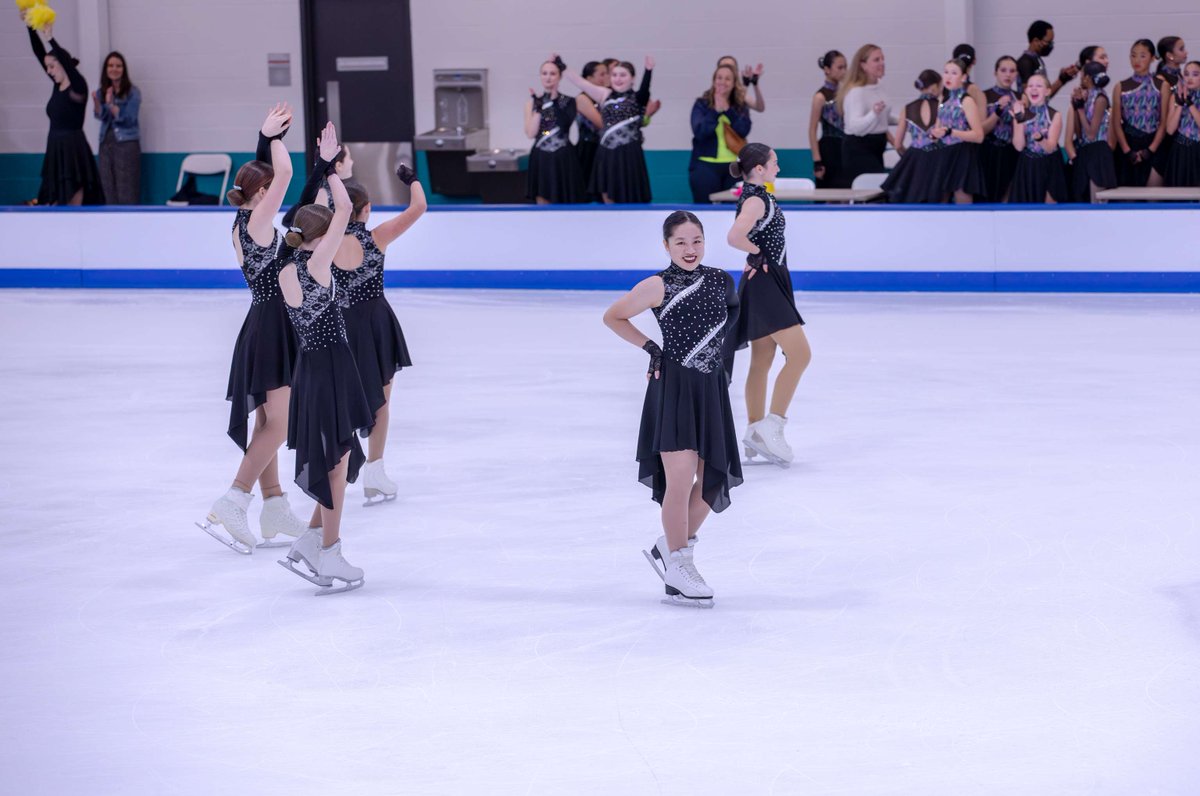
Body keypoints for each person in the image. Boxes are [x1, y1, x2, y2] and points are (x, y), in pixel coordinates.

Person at [602, 211, 742, 608]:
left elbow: (731, 315)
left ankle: (670, 547)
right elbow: (613, 316)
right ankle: (680, 565)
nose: (690, 249)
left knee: (714, 478)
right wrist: (651, 349)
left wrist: (716, 365)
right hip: (674, 387)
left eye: (696, 240)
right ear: (666, 246)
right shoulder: (656, 285)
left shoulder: (720, 280)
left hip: (711, 388)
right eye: (680, 242)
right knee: (680, 479)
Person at [197, 105, 311, 554]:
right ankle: (234, 498)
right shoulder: (260, 221)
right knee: (280, 423)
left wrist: (264, 139)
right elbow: (283, 171)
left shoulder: (240, 223)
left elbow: (272, 175)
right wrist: (270, 136)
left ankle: (274, 504)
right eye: (268, 192)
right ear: (260, 193)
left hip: (263, 321)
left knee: (268, 420)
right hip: (273, 324)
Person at [277, 174, 372, 595]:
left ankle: (311, 539)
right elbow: (346, 212)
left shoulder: (284, 269)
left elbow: (324, 218)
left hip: (311, 369)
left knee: (339, 456)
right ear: (320, 238)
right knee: (337, 463)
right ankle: (330, 551)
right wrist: (333, 170)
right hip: (331, 367)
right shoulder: (316, 265)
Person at [332, 168, 426, 506]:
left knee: (341, 399)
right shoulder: (377, 237)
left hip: (338, 324)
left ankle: (339, 469)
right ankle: (374, 471)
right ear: (367, 209)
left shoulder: (323, 246)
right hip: (375, 324)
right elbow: (418, 208)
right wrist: (412, 179)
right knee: (381, 402)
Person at [724, 144, 811, 466]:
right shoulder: (757, 199)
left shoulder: (755, 194)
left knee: (763, 358)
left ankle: (753, 432)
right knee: (800, 354)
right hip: (765, 283)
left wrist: (756, 254)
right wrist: (756, 253)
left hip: (765, 282)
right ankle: (772, 426)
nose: (778, 167)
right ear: (758, 168)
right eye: (774, 163)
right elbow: (734, 237)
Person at [24, 19, 102, 205]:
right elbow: (37, 51)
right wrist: (30, 25)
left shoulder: (78, 87)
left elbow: (67, 65)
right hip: (55, 148)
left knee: (74, 204)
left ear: (63, 64)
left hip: (73, 149)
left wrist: (50, 38)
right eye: (47, 67)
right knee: (53, 203)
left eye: (52, 66)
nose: (49, 71)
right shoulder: (56, 85)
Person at [561, 54, 655, 203]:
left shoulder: (637, 98)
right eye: (615, 75)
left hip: (629, 153)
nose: (618, 79)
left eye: (623, 75)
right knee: (607, 193)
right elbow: (581, 83)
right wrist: (562, 66)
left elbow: (645, 91)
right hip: (607, 153)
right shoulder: (605, 94)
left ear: (632, 78)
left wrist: (648, 71)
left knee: (630, 195)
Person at [688, 63, 751, 203]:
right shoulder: (702, 104)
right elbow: (700, 133)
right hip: (705, 166)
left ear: (734, 83)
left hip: (734, 168)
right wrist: (715, 110)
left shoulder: (740, 105)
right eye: (719, 77)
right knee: (705, 210)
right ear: (714, 80)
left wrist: (728, 110)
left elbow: (744, 130)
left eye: (728, 79)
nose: (723, 81)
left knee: (734, 212)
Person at [525, 59, 584, 204]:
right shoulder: (532, 103)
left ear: (559, 76)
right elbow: (532, 133)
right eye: (544, 73)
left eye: (552, 73)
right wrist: (539, 109)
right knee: (542, 199)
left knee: (566, 200)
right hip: (541, 156)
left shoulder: (568, 101)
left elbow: (562, 126)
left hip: (563, 155)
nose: (548, 77)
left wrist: (550, 105)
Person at [881, 70, 945, 204]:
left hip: (914, 158)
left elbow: (897, 144)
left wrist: (909, 157)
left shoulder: (908, 108)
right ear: (935, 86)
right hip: (938, 158)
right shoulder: (943, 107)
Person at [1112, 39, 1169, 187]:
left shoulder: (1162, 86)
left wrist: (1150, 150)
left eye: (1142, 56)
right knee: (1127, 199)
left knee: (1153, 198)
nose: (1137, 60)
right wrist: (1127, 151)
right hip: (1128, 143)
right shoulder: (1120, 87)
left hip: (1153, 144)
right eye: (1133, 55)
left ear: (1152, 58)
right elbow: (1116, 123)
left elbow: (1163, 122)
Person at [838, 44, 896, 186]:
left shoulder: (880, 86)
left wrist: (906, 119)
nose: (882, 63)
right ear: (863, 65)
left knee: (879, 189)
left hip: (878, 145)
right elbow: (855, 126)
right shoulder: (856, 92)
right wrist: (873, 113)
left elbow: (884, 118)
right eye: (876, 60)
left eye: (882, 59)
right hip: (859, 148)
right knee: (874, 188)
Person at [929, 58, 985, 203]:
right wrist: (934, 134)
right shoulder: (943, 100)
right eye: (946, 72)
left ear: (963, 77)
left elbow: (979, 136)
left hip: (962, 154)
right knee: (939, 199)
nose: (948, 76)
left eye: (954, 73)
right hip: (943, 153)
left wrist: (951, 132)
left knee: (963, 199)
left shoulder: (967, 101)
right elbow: (938, 128)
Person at [91, 51, 140, 204]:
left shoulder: (133, 92)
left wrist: (112, 105)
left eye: (118, 66)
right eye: (111, 65)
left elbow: (129, 119)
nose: (114, 69)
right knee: (107, 187)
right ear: (106, 69)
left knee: (126, 189)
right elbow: (101, 116)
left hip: (126, 143)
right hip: (106, 143)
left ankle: (129, 223)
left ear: (123, 69)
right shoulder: (101, 92)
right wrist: (98, 104)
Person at [1008, 74, 1067, 203]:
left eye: (1039, 86)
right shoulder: (1021, 113)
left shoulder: (1054, 115)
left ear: (1047, 91)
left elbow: (1050, 148)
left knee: (1049, 209)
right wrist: (1018, 119)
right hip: (1028, 165)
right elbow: (1018, 146)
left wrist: (1040, 139)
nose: (1034, 89)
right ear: (1026, 91)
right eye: (1030, 86)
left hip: (1049, 164)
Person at [1067, 61, 1117, 202]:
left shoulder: (1100, 98)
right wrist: (1076, 105)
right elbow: (1080, 132)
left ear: (1088, 78)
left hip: (1098, 152)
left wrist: (1081, 110)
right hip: (1085, 151)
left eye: (1082, 75)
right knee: (1081, 196)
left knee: (1097, 199)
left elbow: (1091, 133)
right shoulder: (1086, 95)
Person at [981, 56, 1021, 201]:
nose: (1008, 74)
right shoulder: (985, 96)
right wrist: (997, 110)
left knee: (1009, 194)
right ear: (995, 73)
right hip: (989, 151)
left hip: (1012, 152)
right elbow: (981, 130)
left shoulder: (1020, 97)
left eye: (1012, 71)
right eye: (1003, 70)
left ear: (1016, 74)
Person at [808, 50, 847, 188]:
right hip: (829, 148)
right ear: (827, 70)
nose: (844, 71)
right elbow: (812, 130)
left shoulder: (846, 93)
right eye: (840, 67)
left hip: (846, 147)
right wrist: (817, 161)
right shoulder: (820, 97)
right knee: (831, 192)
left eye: (845, 67)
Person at [1016, 20, 1079, 97]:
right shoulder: (1025, 62)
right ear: (1036, 41)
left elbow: (1045, 95)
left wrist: (1063, 79)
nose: (1050, 46)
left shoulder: (1037, 59)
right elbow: (1030, 97)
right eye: (1048, 42)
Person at [1163, 62, 1200, 186]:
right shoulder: (1175, 97)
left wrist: (1190, 104)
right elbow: (1169, 130)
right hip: (1179, 149)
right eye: (1186, 74)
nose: (1189, 78)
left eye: (1195, 74)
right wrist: (1180, 104)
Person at [574, 62, 607, 196]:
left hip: (602, 148)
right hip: (588, 149)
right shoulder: (583, 98)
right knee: (586, 191)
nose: (607, 77)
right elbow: (601, 124)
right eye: (602, 74)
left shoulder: (605, 97)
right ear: (588, 79)